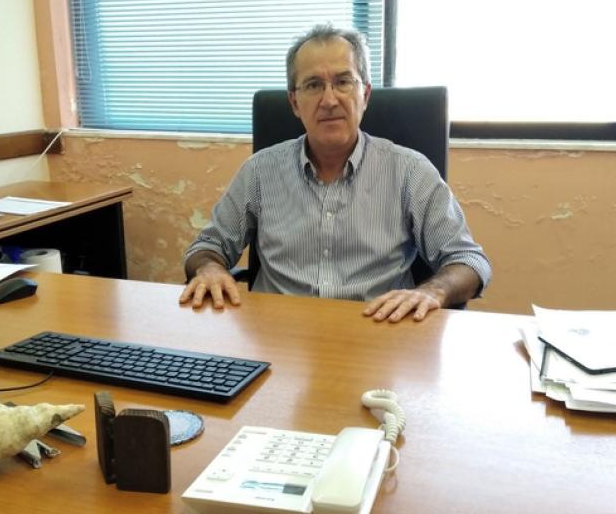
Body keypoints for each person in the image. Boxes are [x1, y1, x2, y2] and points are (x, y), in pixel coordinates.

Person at [180, 24, 491, 322]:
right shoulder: (259, 172)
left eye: (343, 82)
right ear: (294, 102)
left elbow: (468, 261)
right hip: (276, 335)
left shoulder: (410, 171)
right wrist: (210, 269)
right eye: (313, 85)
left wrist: (433, 291)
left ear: (365, 95)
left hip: (378, 333)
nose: (329, 100)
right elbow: (206, 248)